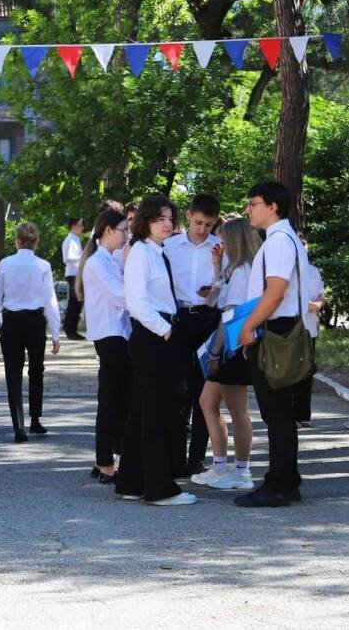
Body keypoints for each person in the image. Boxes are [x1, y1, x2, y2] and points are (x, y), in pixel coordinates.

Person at [114, 195, 196, 505]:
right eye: (160, 217)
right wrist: (166, 331)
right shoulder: (140, 253)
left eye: (170, 218)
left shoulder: (157, 253)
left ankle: (131, 482)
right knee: (157, 414)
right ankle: (160, 489)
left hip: (158, 334)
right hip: (153, 335)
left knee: (141, 412)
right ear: (145, 220)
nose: (168, 223)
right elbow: (136, 302)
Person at [236, 181, 312, 507]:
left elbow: (276, 290)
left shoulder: (279, 240)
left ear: (273, 207)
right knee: (280, 412)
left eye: (253, 204)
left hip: (275, 331)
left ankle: (278, 484)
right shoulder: (284, 238)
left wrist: (249, 326)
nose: (248, 210)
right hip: (282, 328)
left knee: (276, 413)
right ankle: (288, 480)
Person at [192, 218, 261, 491]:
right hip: (229, 342)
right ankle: (221, 466)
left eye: (223, 239)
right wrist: (217, 268)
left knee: (235, 408)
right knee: (209, 402)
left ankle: (241, 470)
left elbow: (233, 312)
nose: (219, 245)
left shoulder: (245, 270)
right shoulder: (234, 268)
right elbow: (212, 301)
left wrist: (218, 348)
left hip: (234, 344)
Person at [163, 193, 223, 476]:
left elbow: (228, 284)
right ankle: (174, 455)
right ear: (188, 216)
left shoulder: (220, 247)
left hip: (208, 319)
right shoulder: (170, 245)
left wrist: (215, 287)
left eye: (208, 225)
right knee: (176, 390)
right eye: (198, 222)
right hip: (178, 319)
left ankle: (196, 456)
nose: (202, 229)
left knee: (204, 391)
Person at [0, 222, 62, 442]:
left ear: (17, 240)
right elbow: (50, 300)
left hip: (11, 320)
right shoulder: (43, 265)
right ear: (35, 241)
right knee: (36, 370)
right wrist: (56, 333)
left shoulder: (6, 264)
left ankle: (18, 426)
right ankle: (35, 419)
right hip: (35, 321)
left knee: (13, 372)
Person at [76, 210, 131, 481]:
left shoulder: (110, 259)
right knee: (110, 400)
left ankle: (107, 460)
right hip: (110, 336)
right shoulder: (98, 263)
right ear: (108, 230)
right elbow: (122, 296)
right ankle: (105, 462)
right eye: (123, 230)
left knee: (117, 400)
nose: (126, 236)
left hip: (118, 335)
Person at [295, 256, 325, 427]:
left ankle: (303, 415)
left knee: (307, 372)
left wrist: (318, 304)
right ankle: (288, 415)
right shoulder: (284, 269)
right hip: (289, 330)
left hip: (310, 329)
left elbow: (322, 294)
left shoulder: (313, 270)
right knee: (289, 371)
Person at [61, 217, 85, 340]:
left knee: (77, 302)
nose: (82, 228)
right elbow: (67, 258)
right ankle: (70, 329)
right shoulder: (69, 240)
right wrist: (82, 259)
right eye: (80, 226)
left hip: (78, 273)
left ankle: (70, 328)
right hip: (73, 274)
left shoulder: (75, 239)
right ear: (73, 226)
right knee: (75, 302)